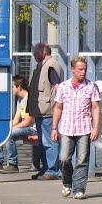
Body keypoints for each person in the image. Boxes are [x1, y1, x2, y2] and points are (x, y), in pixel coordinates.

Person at [51, 55, 101, 199]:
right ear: (73, 69)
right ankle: (67, 183)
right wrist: (54, 128)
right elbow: (58, 108)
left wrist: (96, 127)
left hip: (84, 129)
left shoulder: (91, 87)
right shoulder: (63, 87)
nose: (83, 72)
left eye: (84, 69)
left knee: (82, 160)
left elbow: (96, 107)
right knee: (64, 158)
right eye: (80, 69)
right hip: (66, 128)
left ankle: (79, 189)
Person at [27, 42, 62, 181]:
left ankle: (52, 171)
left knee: (49, 142)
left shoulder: (51, 66)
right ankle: (45, 169)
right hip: (41, 111)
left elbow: (57, 87)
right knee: (42, 142)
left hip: (48, 110)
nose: (34, 56)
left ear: (42, 52)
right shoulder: (41, 66)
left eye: (35, 53)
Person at [0, 75, 37, 173]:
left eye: (13, 87)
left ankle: (13, 164)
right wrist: (7, 127)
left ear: (19, 87)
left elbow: (27, 121)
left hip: (32, 129)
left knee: (9, 134)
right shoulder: (20, 100)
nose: (11, 89)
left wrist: (10, 130)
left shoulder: (29, 99)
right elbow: (16, 119)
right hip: (24, 127)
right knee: (0, 132)